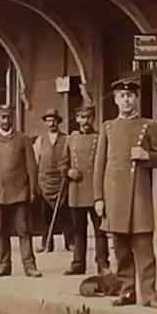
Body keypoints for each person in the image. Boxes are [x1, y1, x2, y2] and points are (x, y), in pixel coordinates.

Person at [94, 75, 157, 308]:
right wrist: (98, 197)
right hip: (114, 196)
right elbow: (100, 164)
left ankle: (149, 294)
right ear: (116, 101)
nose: (126, 101)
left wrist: (147, 156)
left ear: (136, 99)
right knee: (121, 248)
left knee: (144, 247)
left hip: (139, 196)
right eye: (122, 96)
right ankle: (127, 291)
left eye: (130, 96)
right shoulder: (108, 127)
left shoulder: (149, 125)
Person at [0, 105, 41, 278]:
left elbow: (31, 166)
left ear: (12, 118)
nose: (5, 120)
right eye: (2, 117)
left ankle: (29, 266)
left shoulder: (23, 139)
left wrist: (33, 190)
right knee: (1, 231)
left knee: (24, 230)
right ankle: (4, 265)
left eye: (8, 117)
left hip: (20, 192)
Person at [64, 105, 107, 276]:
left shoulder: (99, 138)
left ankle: (103, 263)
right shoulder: (71, 139)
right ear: (76, 119)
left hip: (96, 191)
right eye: (82, 117)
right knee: (78, 230)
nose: (86, 121)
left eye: (89, 117)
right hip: (76, 191)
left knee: (100, 230)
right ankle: (78, 263)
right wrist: (68, 172)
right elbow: (62, 163)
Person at [35, 108, 70, 255]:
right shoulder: (40, 140)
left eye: (54, 120)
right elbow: (36, 160)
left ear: (58, 122)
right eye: (48, 120)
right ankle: (46, 243)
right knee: (45, 215)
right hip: (45, 182)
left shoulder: (66, 139)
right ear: (45, 122)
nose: (51, 123)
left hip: (61, 181)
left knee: (66, 215)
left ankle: (70, 242)